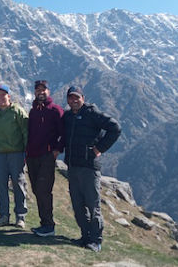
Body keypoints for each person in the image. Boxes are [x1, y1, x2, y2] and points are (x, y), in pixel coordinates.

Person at [62, 86, 121, 252]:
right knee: (78, 205)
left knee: (93, 205)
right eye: (70, 98)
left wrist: (99, 148)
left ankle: (96, 240)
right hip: (73, 167)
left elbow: (115, 128)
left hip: (89, 168)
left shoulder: (92, 113)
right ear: (67, 99)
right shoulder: (67, 116)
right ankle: (85, 236)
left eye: (77, 97)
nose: (73, 100)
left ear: (83, 97)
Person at [26, 80, 63, 237]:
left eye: (43, 89)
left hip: (46, 157)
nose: (40, 92)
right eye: (38, 90)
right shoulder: (33, 110)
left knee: (44, 190)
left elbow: (64, 133)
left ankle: (49, 226)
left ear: (49, 91)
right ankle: (44, 224)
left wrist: (57, 150)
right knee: (36, 190)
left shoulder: (55, 110)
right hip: (32, 156)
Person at [0, 84, 29, 228]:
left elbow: (26, 131)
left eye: (3, 95)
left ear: (9, 96)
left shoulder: (17, 111)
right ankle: (4, 215)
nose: (0, 98)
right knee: (1, 185)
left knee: (18, 185)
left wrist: (26, 152)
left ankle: (20, 216)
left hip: (16, 153)